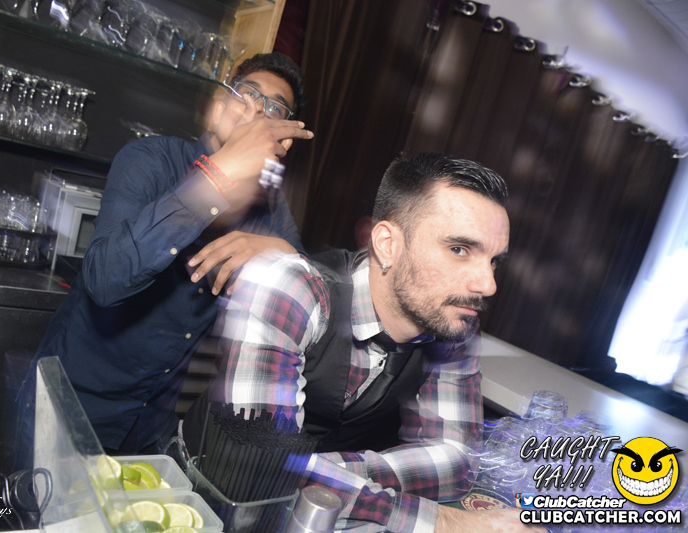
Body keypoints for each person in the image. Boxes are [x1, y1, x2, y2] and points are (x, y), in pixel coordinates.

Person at [185, 153, 546, 532]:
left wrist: (312, 473)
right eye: (459, 249)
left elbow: (456, 463)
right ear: (387, 244)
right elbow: (255, 470)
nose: (487, 285)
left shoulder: (453, 323)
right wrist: (449, 522)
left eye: (494, 261)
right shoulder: (292, 289)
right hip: (201, 499)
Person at [25, 52, 314, 460]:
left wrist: (273, 249)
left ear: (283, 139)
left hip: (152, 424)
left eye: (275, 109)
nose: (256, 111)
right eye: (247, 94)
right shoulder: (150, 159)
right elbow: (106, 280)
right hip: (73, 405)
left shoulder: (269, 209)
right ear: (221, 107)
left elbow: (309, 281)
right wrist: (218, 175)